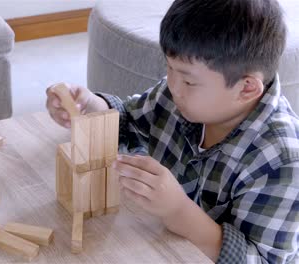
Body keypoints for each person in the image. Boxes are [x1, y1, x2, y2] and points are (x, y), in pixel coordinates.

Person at [45, 0, 298, 263]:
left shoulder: (282, 161)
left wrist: (178, 211)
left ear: (246, 88)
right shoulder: (178, 96)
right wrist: (91, 106)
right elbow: (129, 122)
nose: (173, 85)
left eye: (188, 80)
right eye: (169, 67)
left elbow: (260, 259)